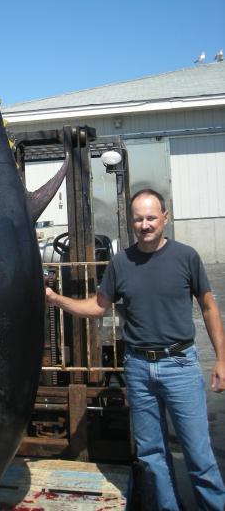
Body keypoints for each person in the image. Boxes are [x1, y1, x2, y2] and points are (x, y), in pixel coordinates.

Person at [46, 188, 225, 510]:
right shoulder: (120, 263)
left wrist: (222, 359)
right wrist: (57, 300)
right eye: (139, 219)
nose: (145, 224)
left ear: (165, 218)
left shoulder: (186, 256)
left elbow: (210, 307)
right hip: (139, 368)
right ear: (131, 223)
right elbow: (98, 307)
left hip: (180, 364)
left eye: (151, 217)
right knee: (151, 454)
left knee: (199, 455)